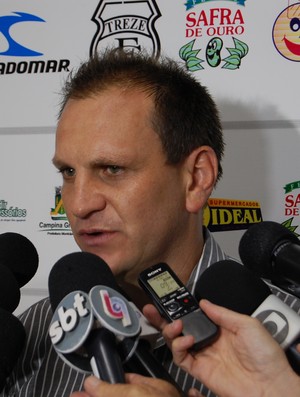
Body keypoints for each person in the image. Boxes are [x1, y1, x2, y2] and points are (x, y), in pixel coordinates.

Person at [1, 48, 300, 397]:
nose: (79, 204)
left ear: (196, 178)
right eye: (68, 172)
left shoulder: (290, 334)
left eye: (112, 169)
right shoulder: (36, 330)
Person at [69, 300, 300, 397]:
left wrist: (272, 389)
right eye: (67, 192)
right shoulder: (41, 322)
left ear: (194, 194)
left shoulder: (292, 312)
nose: (81, 206)